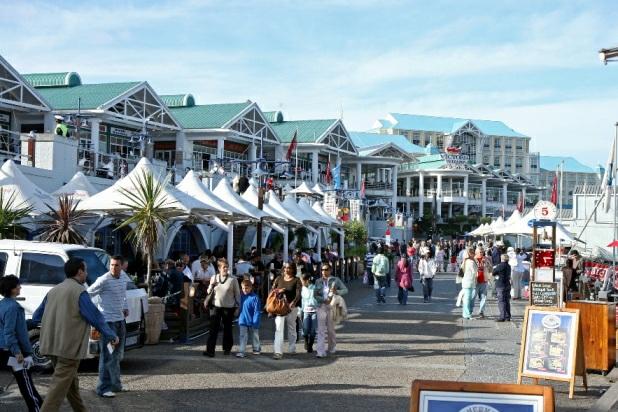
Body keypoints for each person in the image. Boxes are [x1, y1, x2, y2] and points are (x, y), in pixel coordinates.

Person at [32, 258, 118, 412]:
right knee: (58, 388)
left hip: (50, 346)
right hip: (69, 349)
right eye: (85, 270)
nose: (87, 273)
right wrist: (112, 335)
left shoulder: (54, 290)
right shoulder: (79, 292)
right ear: (79, 271)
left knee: (71, 383)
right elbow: (95, 317)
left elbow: (36, 317)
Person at [87, 256, 129, 398]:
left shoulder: (123, 277)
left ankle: (116, 385)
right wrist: (96, 313)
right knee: (107, 356)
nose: (113, 268)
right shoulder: (103, 280)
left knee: (118, 355)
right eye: (111, 265)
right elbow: (88, 294)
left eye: (116, 265)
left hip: (120, 321)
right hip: (108, 323)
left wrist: (125, 307)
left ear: (122, 266)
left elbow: (123, 295)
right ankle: (102, 388)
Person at [0, 275, 43, 411]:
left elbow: (14, 326)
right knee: (25, 382)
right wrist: (17, 351)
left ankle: (38, 406)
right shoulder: (13, 307)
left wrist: (31, 323)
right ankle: (37, 408)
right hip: (14, 351)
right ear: (12, 289)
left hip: (6, 349)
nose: (20, 287)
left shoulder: (3, 304)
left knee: (25, 381)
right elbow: (9, 332)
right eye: (18, 285)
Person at [203, 258, 240, 357]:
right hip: (215, 307)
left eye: (226, 267)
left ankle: (227, 348)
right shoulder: (214, 277)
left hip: (228, 308)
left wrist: (237, 307)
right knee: (213, 329)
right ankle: (210, 350)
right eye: (223, 267)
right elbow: (208, 291)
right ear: (219, 268)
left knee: (227, 329)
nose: (225, 268)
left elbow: (237, 294)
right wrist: (211, 285)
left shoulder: (233, 279)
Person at [314, 262, 348, 358]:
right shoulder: (318, 281)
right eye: (322, 270)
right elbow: (315, 295)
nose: (324, 272)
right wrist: (323, 300)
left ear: (330, 270)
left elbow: (345, 290)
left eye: (326, 270)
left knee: (330, 329)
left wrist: (336, 291)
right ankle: (320, 351)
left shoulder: (335, 280)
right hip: (321, 306)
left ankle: (332, 346)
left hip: (332, 306)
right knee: (320, 330)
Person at [271, 262, 302, 360]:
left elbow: (298, 293)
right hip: (280, 307)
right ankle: (278, 351)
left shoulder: (297, 280)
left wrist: (293, 302)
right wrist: (278, 291)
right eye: (285, 268)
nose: (286, 270)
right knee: (279, 328)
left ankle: (292, 347)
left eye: (289, 268)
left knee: (291, 327)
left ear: (293, 269)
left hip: (291, 307)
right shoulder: (278, 279)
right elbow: (272, 290)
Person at [236, 279, 261, 358]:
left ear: (251, 288)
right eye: (243, 288)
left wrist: (256, 321)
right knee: (242, 336)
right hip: (242, 320)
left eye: (246, 288)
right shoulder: (241, 296)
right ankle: (242, 351)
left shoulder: (255, 298)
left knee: (255, 335)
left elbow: (257, 311)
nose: (244, 290)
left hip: (253, 320)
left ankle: (256, 348)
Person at [300, 273, 318, 353]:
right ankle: (306, 341)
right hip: (306, 311)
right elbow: (302, 300)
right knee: (305, 328)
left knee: (313, 329)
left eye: (302, 281)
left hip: (314, 310)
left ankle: (310, 345)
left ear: (307, 281)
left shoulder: (314, 288)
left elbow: (316, 300)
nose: (302, 283)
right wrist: (301, 310)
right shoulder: (303, 289)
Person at [460, 248, 478, 320]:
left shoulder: (465, 261)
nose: (474, 254)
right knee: (468, 299)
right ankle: (467, 314)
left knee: (466, 298)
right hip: (470, 281)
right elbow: (474, 272)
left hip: (465, 281)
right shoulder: (471, 262)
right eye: (473, 253)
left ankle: (465, 313)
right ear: (471, 254)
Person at [493, 254, 512, 322]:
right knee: (507, 301)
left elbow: (493, 272)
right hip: (507, 284)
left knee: (501, 301)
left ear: (502, 259)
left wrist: (494, 269)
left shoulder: (501, 265)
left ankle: (502, 316)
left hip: (501, 285)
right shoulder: (508, 266)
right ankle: (508, 316)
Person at [474, 248, 489, 319]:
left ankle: (481, 311)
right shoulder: (473, 260)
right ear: (476, 252)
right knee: (473, 297)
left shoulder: (486, 259)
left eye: (482, 252)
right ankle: (469, 311)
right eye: (480, 252)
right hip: (475, 281)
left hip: (484, 280)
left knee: (483, 297)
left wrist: (486, 264)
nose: (482, 253)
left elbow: (490, 268)